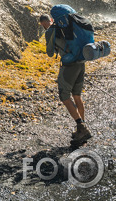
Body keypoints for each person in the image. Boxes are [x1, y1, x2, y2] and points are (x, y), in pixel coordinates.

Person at [39, 13, 92, 145]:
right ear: (51, 19)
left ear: (43, 23)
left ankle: (81, 127)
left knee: (65, 96)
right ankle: (81, 128)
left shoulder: (50, 31)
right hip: (81, 62)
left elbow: (50, 53)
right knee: (77, 95)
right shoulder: (67, 27)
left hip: (69, 66)